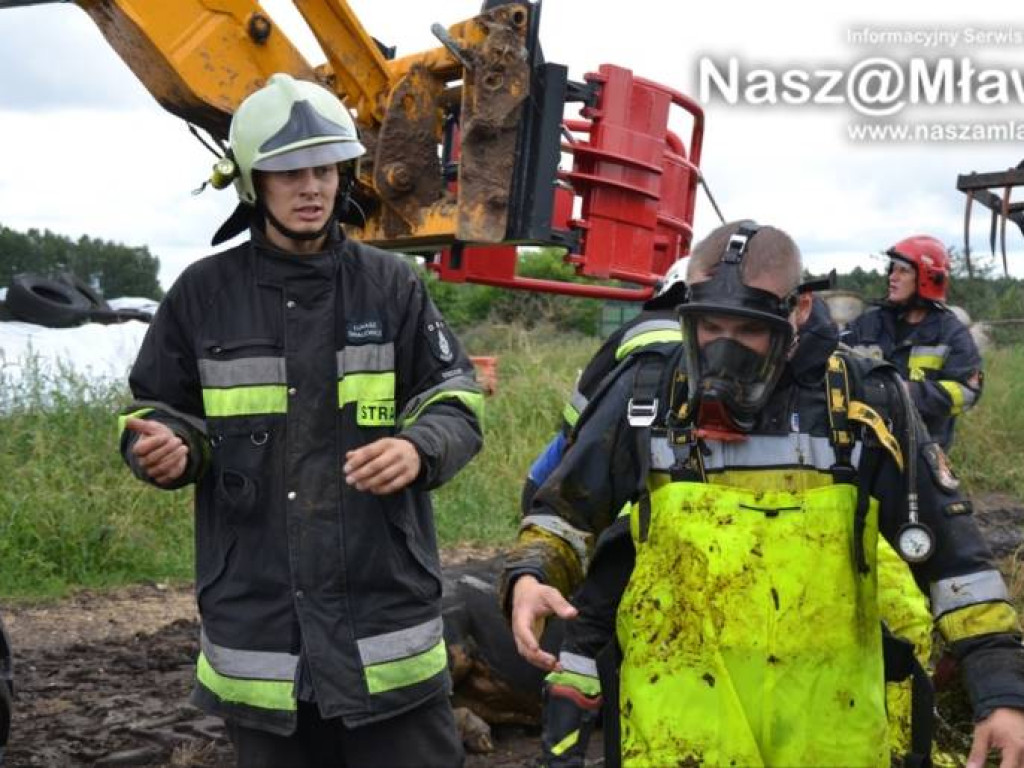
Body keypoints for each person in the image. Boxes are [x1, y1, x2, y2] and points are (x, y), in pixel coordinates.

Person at [500, 221, 1024, 768]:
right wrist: (533, 573)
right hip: (679, 728)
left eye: (747, 330)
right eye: (709, 327)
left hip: (825, 730)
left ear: (797, 313)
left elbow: (953, 556)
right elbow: (565, 510)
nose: (724, 349)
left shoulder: (864, 403)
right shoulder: (649, 392)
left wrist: (1001, 691)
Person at [117, 73, 483, 768]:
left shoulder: (391, 284)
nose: (310, 187)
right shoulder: (203, 293)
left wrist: (418, 446)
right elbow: (155, 409)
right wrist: (166, 450)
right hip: (261, 631)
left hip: (383, 628)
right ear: (254, 183)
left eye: (323, 168)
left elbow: (456, 397)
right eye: (288, 172)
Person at [521, 259, 687, 515]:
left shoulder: (634, 329)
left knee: (542, 486)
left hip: (616, 464)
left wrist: (571, 436)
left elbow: (580, 406)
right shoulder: (734, 339)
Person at [842, 235, 983, 450]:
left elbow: (966, 392)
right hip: (866, 449)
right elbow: (834, 360)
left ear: (927, 279)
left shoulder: (951, 333)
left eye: (903, 271)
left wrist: (904, 392)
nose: (892, 277)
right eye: (892, 269)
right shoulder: (868, 324)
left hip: (922, 451)